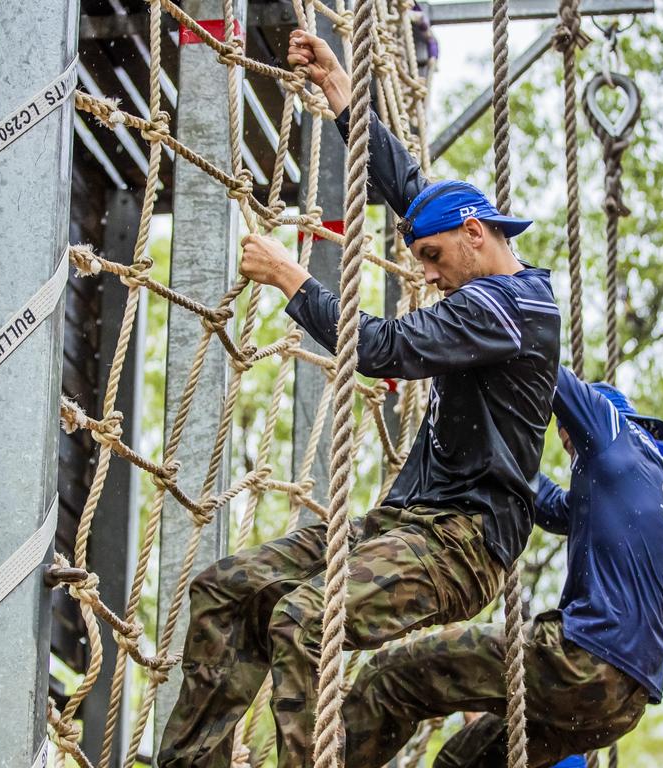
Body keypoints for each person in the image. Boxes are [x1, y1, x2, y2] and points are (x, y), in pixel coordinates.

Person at [156, 29, 561, 768]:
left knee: (305, 619)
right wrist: (345, 97)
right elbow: (407, 186)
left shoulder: (508, 307)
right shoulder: (471, 264)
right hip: (402, 524)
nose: (429, 275)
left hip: (461, 545)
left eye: (434, 259)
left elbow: (377, 350)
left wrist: (290, 277)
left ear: (475, 234)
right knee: (227, 589)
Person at [340, 367, 663, 768]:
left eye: (571, 441)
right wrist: (497, 449)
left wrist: (478, 336)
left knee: (390, 676)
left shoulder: (610, 429)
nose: (567, 447)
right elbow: (554, 506)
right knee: (462, 760)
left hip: (582, 656)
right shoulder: (656, 483)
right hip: (623, 703)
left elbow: (541, 352)